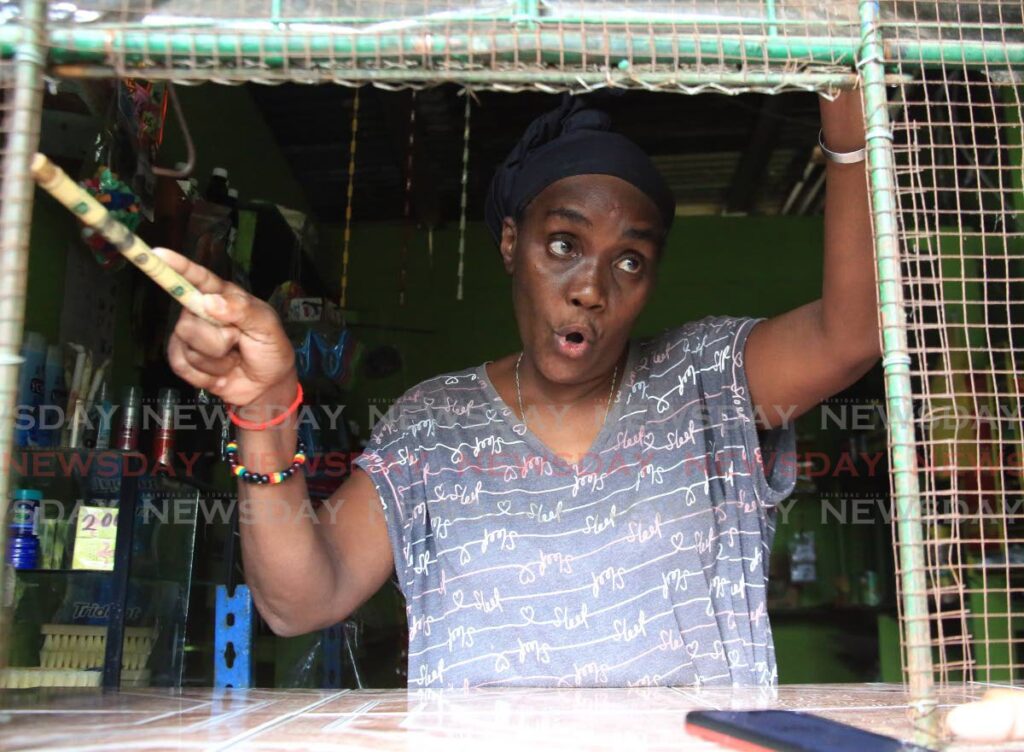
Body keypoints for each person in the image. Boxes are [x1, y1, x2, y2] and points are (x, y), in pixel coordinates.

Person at [161, 90, 879, 688]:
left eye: (629, 261)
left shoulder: (705, 381)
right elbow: (299, 602)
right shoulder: (432, 425)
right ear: (512, 243)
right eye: (563, 245)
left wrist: (848, 121)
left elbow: (851, 337)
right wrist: (262, 411)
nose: (591, 290)